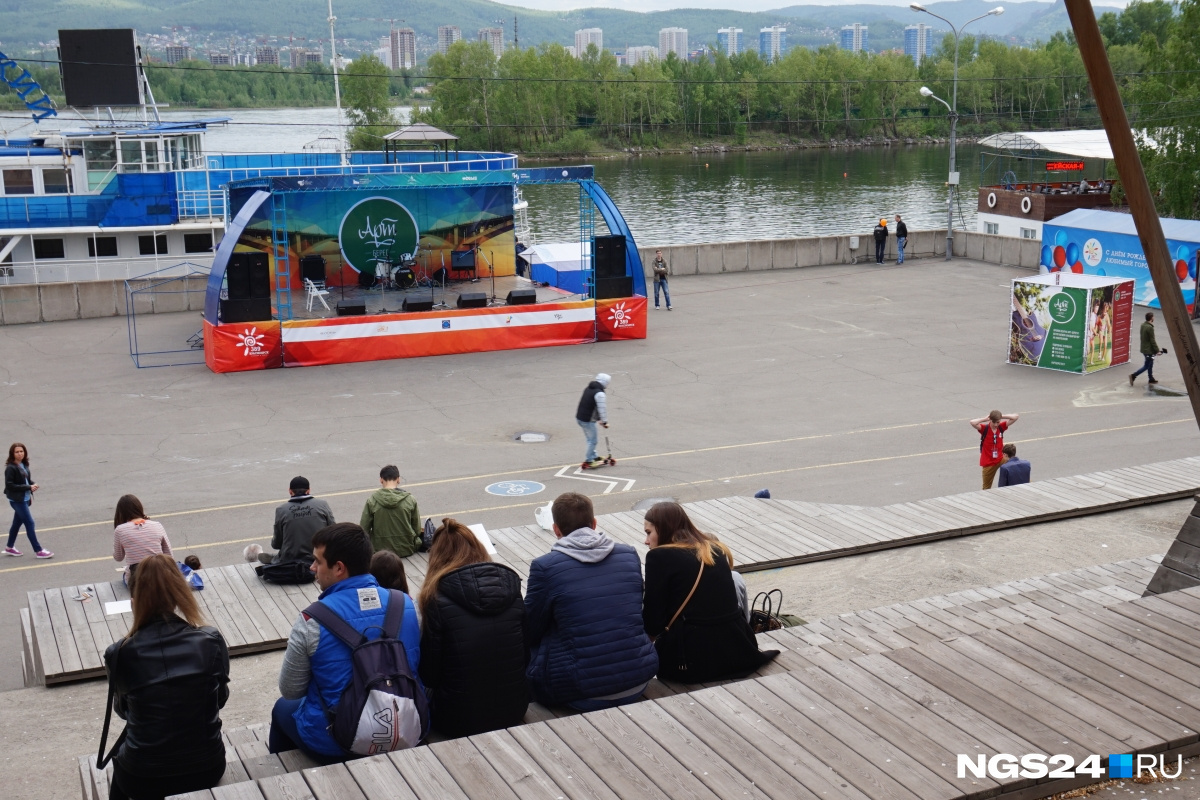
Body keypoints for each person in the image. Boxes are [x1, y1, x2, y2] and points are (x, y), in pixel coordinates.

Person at [269, 523, 421, 763]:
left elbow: (291, 690)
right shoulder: (407, 605)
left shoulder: (311, 620)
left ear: (339, 568)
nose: (312, 568)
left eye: (318, 561)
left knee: (282, 709)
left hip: (337, 742)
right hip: (407, 730)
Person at [102, 554, 230, 800]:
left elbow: (123, 711)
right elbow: (219, 699)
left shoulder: (119, 653)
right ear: (179, 595)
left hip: (142, 774)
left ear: (133, 601)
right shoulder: (210, 640)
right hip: (206, 765)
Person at [525, 492, 658, 710]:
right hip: (637, 678)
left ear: (556, 529)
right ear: (594, 524)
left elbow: (530, 629)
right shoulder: (628, 554)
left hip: (580, 691)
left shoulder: (545, 567)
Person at [642, 502, 778, 682]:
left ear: (663, 528)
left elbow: (653, 623)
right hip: (737, 652)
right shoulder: (713, 549)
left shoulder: (658, 557)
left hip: (691, 661)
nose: (646, 541)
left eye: (649, 533)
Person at [418, 518, 528, 737]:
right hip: (514, 709)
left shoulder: (436, 600)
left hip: (458, 718)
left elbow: (429, 675)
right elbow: (526, 656)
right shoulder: (512, 588)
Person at [257, 476, 335, 566]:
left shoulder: (281, 510)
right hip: (318, 556)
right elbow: (333, 532)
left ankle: (277, 558)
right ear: (308, 491)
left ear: (290, 491)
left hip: (291, 558)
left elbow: (276, 544)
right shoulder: (322, 504)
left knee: (283, 554)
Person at [359, 465, 422, 557]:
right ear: (398, 479)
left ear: (381, 480)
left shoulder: (372, 500)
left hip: (380, 550)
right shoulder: (410, 499)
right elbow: (417, 528)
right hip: (406, 549)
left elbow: (364, 528)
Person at [112, 495, 172, 589]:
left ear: (120, 513)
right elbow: (169, 555)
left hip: (137, 582)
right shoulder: (157, 525)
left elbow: (118, 557)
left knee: (126, 574)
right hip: (159, 578)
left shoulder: (120, 530)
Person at [4, 442, 51, 558]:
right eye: (17, 452)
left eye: (21, 451)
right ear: (12, 454)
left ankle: (9, 547)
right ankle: (38, 550)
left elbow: (25, 480)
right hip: (17, 500)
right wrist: (28, 487)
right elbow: (10, 485)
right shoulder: (10, 468)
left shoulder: (24, 465)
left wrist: (32, 484)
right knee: (29, 523)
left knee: (16, 523)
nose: (20, 454)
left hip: (24, 498)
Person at [969, 410, 1019, 490]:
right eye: (994, 422)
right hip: (988, 463)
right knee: (986, 487)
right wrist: (984, 419)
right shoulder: (984, 428)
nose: (996, 425)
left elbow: (1015, 417)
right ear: (990, 420)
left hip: (1001, 458)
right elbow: (972, 422)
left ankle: (1025, 483)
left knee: (1016, 468)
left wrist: (1002, 416)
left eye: (998, 422)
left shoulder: (1001, 427)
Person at [575, 373, 611, 468]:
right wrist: (604, 421)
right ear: (604, 382)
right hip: (587, 420)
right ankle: (589, 460)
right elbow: (602, 409)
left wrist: (599, 419)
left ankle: (593, 456)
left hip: (580, 418)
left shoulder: (589, 388)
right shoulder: (600, 394)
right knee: (593, 441)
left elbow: (592, 405)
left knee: (589, 439)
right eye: (608, 383)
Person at [1130, 312, 1167, 386]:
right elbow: (1152, 340)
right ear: (1151, 318)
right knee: (1147, 365)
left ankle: (1151, 378)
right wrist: (1157, 351)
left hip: (1144, 348)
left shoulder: (1143, 325)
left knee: (1150, 364)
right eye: (1153, 317)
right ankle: (1133, 375)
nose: (1154, 318)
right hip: (1149, 350)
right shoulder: (1150, 328)